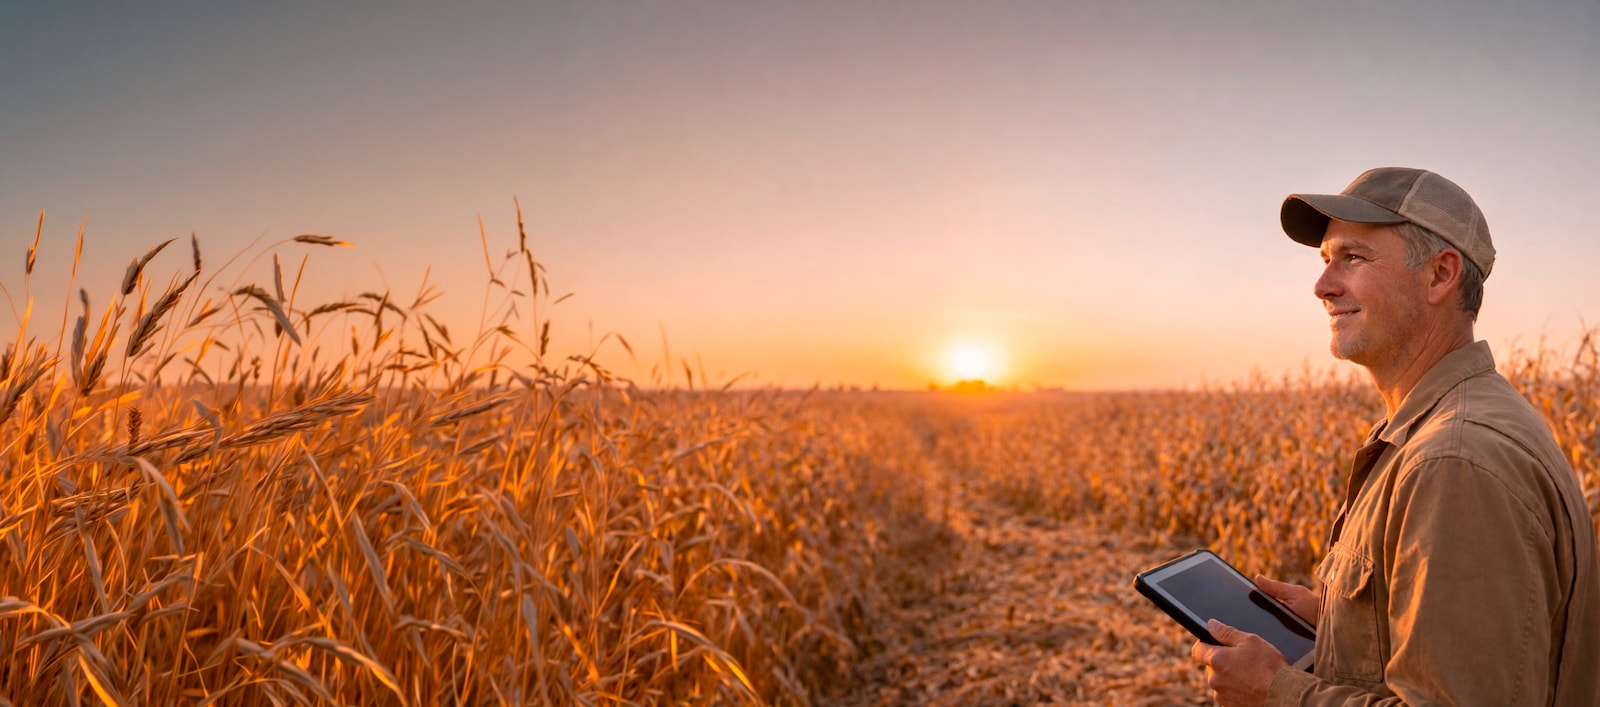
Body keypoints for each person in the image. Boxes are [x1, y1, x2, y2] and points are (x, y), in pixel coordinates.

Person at [1190, 167, 1600, 705]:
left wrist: (1277, 692)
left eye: (1353, 258)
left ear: (1439, 275)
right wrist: (1339, 621)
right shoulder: (1449, 422)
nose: (1323, 285)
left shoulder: (1455, 460)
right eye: (1324, 260)